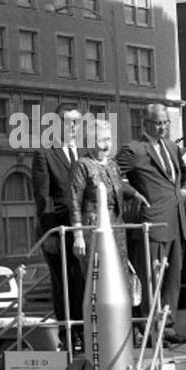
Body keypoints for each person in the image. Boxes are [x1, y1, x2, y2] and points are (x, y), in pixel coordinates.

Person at [117, 103, 186, 346]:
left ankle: (168, 328)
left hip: (176, 221)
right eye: (158, 123)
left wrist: (181, 193)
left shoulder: (172, 147)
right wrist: (134, 194)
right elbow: (112, 175)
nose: (163, 127)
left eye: (166, 123)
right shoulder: (133, 149)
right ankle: (151, 331)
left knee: (172, 279)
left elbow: (182, 173)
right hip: (152, 223)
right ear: (145, 123)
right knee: (151, 281)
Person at [31, 105, 87, 348]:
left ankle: (86, 332)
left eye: (77, 122)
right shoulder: (44, 154)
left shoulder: (85, 153)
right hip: (59, 229)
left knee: (84, 282)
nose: (73, 128)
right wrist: (50, 233)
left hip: (84, 229)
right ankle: (70, 335)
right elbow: (43, 197)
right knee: (66, 283)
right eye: (68, 122)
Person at [70, 118, 143, 296]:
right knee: (99, 274)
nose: (107, 145)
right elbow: (74, 200)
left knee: (120, 272)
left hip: (116, 224)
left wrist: (135, 193)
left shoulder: (112, 164)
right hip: (93, 225)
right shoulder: (82, 165)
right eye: (102, 140)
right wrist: (78, 234)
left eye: (109, 139)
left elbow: (117, 186)